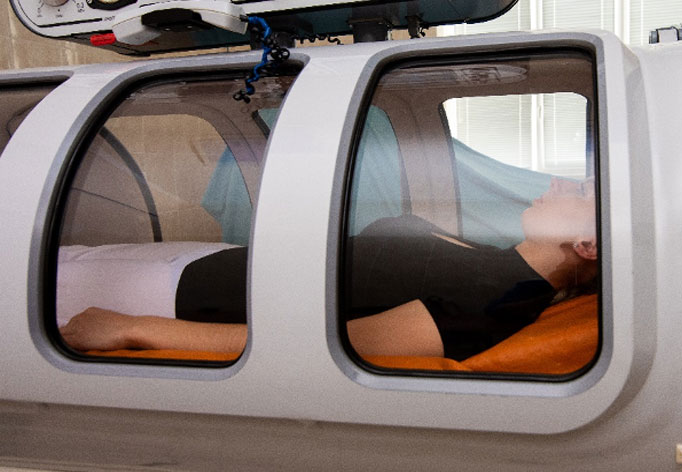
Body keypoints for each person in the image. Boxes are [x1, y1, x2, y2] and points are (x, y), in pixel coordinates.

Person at [60, 177, 598, 360]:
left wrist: (133, 328)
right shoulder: (498, 262)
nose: (554, 183)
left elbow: (318, 348)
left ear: (588, 244)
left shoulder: (495, 301)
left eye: (575, 191)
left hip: (174, 299)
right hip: (212, 264)